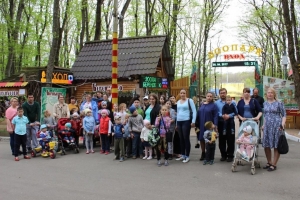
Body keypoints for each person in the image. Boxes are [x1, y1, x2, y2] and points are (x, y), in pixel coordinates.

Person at [262, 88, 286, 172]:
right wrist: (263, 125)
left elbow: (284, 115)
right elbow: (265, 115)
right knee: (266, 145)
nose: (270, 94)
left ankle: (274, 164)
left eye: (271, 93)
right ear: (266, 94)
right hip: (267, 127)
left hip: (276, 126)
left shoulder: (279, 103)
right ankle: (269, 162)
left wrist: (282, 124)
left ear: (274, 94)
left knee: (276, 145)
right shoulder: (265, 103)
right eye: (268, 92)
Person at [215, 88, 237, 162]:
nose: (223, 94)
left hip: (230, 122)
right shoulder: (217, 103)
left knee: (231, 139)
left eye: (224, 93)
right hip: (221, 122)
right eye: (221, 93)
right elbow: (216, 112)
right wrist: (222, 115)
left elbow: (236, 111)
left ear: (226, 93)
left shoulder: (232, 102)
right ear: (219, 94)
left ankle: (230, 155)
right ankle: (223, 155)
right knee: (222, 140)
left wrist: (229, 115)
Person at [176, 89, 197, 163]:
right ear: (179, 94)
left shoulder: (189, 100)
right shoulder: (178, 102)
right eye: (181, 93)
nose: (182, 94)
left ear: (186, 94)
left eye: (184, 93)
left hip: (186, 121)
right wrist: (176, 123)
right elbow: (177, 113)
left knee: (186, 138)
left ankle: (187, 156)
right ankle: (183, 155)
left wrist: (193, 121)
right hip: (179, 121)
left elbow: (194, 110)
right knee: (181, 139)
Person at [196, 92, 218, 161]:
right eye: (208, 96)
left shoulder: (214, 106)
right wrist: (196, 124)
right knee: (202, 139)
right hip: (201, 124)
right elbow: (198, 114)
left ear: (212, 98)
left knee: (209, 139)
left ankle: (209, 154)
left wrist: (215, 124)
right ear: (206, 97)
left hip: (209, 125)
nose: (209, 97)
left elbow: (215, 116)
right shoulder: (202, 104)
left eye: (210, 96)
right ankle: (203, 153)